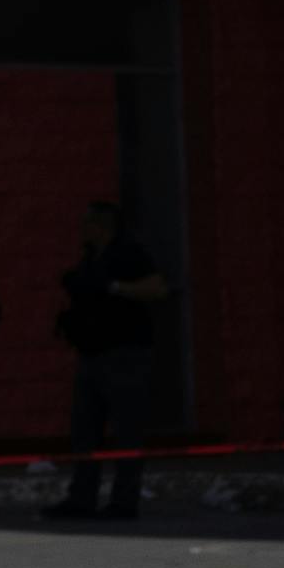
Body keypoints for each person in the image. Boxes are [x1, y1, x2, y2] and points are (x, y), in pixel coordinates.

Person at [51, 199, 174, 520]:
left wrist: (113, 287)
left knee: (127, 430)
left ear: (102, 225)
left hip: (124, 354)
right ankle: (82, 498)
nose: (82, 230)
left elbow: (158, 288)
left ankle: (123, 501)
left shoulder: (128, 253)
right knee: (85, 430)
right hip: (93, 353)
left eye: (87, 224)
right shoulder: (91, 257)